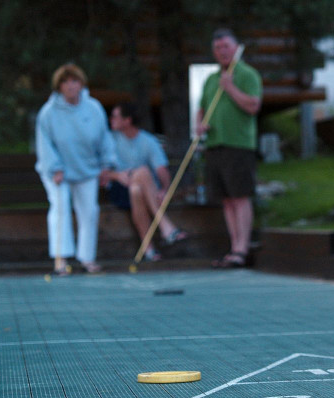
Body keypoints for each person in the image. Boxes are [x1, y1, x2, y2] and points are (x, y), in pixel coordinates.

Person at [35, 63, 116, 274]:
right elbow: (44, 144)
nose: (70, 86)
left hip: (86, 169)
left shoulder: (94, 108)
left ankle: (87, 258)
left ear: (81, 84)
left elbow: (104, 138)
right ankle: (61, 259)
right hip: (58, 172)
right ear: (59, 86)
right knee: (60, 208)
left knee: (89, 211)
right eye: (65, 82)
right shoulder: (48, 112)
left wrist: (106, 164)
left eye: (74, 81)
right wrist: (55, 168)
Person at [196, 28, 262, 268]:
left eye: (226, 46)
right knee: (225, 199)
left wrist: (231, 88)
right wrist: (200, 125)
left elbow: (253, 106)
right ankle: (233, 246)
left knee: (239, 196)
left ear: (236, 48)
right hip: (215, 144)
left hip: (238, 144)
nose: (222, 51)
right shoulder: (211, 79)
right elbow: (202, 108)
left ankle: (242, 249)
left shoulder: (247, 74)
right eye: (217, 48)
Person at [101, 103, 188, 261]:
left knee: (137, 188)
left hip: (142, 191)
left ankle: (149, 249)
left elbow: (161, 169)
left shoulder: (148, 141)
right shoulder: (109, 139)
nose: (111, 119)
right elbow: (100, 173)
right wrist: (118, 175)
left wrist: (164, 189)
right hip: (119, 190)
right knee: (142, 171)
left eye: (115, 116)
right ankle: (166, 226)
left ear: (127, 120)